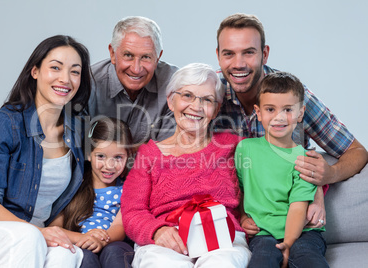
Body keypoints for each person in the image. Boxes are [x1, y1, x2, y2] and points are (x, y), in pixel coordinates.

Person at [215, 13, 368, 228]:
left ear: (264, 54)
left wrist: (329, 175)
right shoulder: (207, 94)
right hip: (233, 221)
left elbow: (357, 151)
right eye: (229, 54)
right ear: (218, 55)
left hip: (289, 220)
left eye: (249, 53)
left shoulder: (292, 96)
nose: (238, 64)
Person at [0, 35, 92, 267]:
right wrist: (38, 231)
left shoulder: (75, 132)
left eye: (75, 71)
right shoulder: (3, 123)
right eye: (55, 67)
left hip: (34, 234)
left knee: (68, 253)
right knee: (30, 237)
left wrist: (54, 232)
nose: (65, 79)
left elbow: (59, 205)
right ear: (35, 71)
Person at [121, 63, 251, 268]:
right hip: (166, 242)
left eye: (207, 99)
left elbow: (280, 166)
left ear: (216, 109)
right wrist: (157, 231)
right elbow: (132, 211)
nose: (196, 107)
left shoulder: (234, 146)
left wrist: (318, 190)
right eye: (187, 96)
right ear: (171, 101)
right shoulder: (148, 154)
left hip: (223, 240)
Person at [235, 72, 329, 267]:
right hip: (263, 232)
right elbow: (242, 190)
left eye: (287, 109)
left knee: (307, 257)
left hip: (303, 231)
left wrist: (287, 244)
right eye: (270, 109)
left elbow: (298, 208)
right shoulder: (245, 149)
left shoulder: (304, 159)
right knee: (263, 258)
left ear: (300, 113)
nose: (279, 117)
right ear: (258, 112)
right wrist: (244, 216)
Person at [50, 117, 135, 267]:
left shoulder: (128, 188)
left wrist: (101, 240)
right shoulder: (76, 185)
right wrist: (84, 238)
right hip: (80, 242)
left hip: (114, 242)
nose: (109, 165)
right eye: (101, 156)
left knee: (113, 253)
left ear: (128, 157)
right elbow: (55, 228)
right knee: (84, 257)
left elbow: (120, 227)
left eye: (118, 158)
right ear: (89, 154)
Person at [88, 16, 178, 145]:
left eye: (146, 57)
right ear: (112, 53)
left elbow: (171, 151)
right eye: (128, 55)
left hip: (155, 164)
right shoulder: (88, 84)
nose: (136, 69)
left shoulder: (176, 85)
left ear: (158, 58)